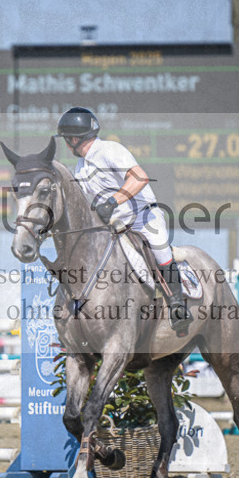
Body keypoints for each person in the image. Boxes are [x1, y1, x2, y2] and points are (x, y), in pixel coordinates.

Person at [55, 106, 192, 334]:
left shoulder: (110, 150)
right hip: (113, 226)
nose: (67, 146)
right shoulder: (81, 167)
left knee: (160, 250)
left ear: (74, 139)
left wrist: (112, 202)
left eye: (66, 140)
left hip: (143, 217)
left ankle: (177, 305)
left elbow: (139, 177)